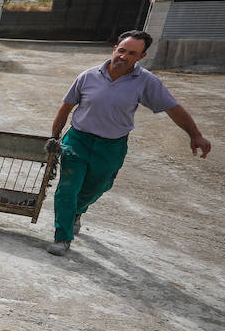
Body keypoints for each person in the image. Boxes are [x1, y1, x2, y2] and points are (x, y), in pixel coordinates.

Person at [45, 29, 211, 256]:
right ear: (114, 49)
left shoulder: (146, 82)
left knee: (97, 187)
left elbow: (173, 108)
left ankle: (77, 211)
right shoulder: (88, 76)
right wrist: (54, 137)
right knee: (68, 188)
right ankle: (62, 237)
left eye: (131, 53)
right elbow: (65, 107)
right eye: (121, 50)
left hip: (112, 146)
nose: (123, 56)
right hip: (78, 139)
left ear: (141, 56)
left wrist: (195, 134)